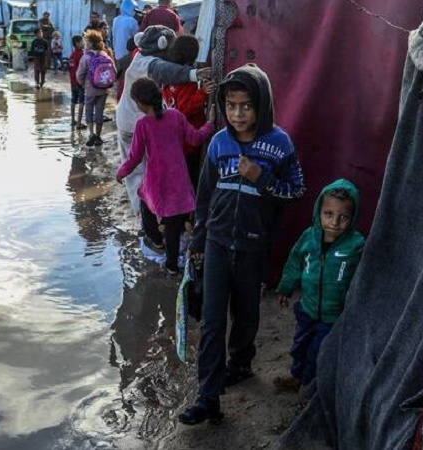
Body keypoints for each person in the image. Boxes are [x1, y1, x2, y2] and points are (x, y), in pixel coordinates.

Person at [178, 64, 307, 425]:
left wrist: (260, 176)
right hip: (217, 243)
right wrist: (198, 240)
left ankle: (240, 363)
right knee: (212, 321)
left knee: (247, 313)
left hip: (253, 246)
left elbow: (296, 191)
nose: (237, 114)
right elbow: (204, 196)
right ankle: (208, 397)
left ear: (262, 105)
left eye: (246, 106)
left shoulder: (279, 144)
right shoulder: (219, 142)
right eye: (231, 105)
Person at [274, 179, 365, 400]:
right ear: (319, 212)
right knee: (299, 346)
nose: (334, 222)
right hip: (307, 308)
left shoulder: (356, 245)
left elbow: (364, 277)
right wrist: (285, 287)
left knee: (318, 352)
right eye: (328, 214)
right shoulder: (309, 238)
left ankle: (308, 386)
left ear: (352, 217)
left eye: (343, 217)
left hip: (333, 315)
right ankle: (296, 376)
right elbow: (295, 263)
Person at [116, 78, 214, 274]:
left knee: (145, 204)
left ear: (140, 103)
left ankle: (157, 241)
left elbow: (134, 157)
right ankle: (171, 265)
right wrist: (210, 124)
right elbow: (195, 138)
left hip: (156, 180)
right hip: (179, 179)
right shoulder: (176, 115)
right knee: (173, 224)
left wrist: (121, 172)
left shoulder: (143, 124)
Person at [115, 25, 210, 214]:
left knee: (143, 169)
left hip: (134, 122)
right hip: (133, 124)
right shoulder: (148, 63)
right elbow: (165, 70)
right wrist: (194, 74)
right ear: (162, 45)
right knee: (138, 171)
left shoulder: (139, 58)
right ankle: (144, 213)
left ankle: (149, 213)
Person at [162, 35, 213, 191]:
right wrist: (202, 93)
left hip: (175, 139)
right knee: (190, 177)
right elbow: (184, 110)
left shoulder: (169, 76)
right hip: (189, 140)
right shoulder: (187, 81)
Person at [77, 30, 115, 147]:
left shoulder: (86, 57)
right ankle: (98, 136)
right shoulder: (105, 55)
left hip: (90, 89)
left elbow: (80, 74)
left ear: (89, 43)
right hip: (103, 89)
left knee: (89, 111)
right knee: (99, 112)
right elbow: (113, 71)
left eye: (86, 41)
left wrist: (84, 85)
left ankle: (91, 134)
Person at [69, 35, 87, 130]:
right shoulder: (81, 54)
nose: (84, 43)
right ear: (77, 44)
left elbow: (70, 69)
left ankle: (73, 120)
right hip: (80, 82)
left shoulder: (72, 55)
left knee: (73, 100)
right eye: (82, 41)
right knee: (82, 102)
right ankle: (79, 123)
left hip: (73, 82)